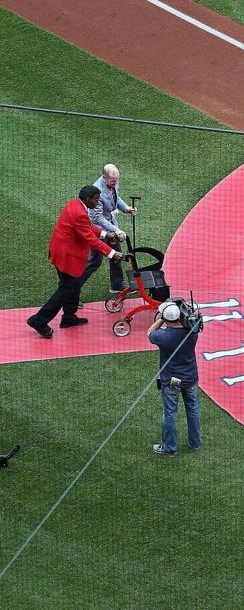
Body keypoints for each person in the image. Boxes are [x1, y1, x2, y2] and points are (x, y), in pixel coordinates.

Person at [27, 185, 126, 338]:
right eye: (96, 200)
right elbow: (90, 238)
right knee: (66, 289)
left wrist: (107, 234)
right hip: (67, 256)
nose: (98, 203)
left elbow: (86, 228)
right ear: (88, 199)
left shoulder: (75, 204)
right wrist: (112, 253)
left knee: (71, 286)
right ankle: (39, 320)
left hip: (61, 252)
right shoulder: (79, 213)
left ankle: (68, 317)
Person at [147, 298, 201, 456]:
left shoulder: (162, 336)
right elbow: (194, 316)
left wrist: (159, 321)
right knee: (193, 409)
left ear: (165, 318)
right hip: (191, 377)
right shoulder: (192, 331)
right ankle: (195, 442)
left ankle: (169, 448)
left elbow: (149, 333)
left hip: (171, 380)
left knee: (170, 412)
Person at [79, 163, 135, 295]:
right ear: (104, 178)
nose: (115, 183)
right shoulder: (97, 192)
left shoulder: (113, 182)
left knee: (116, 255)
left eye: (117, 180)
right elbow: (97, 218)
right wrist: (116, 230)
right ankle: (73, 290)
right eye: (112, 181)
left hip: (109, 225)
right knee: (94, 261)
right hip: (98, 230)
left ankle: (117, 285)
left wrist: (126, 208)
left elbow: (116, 197)